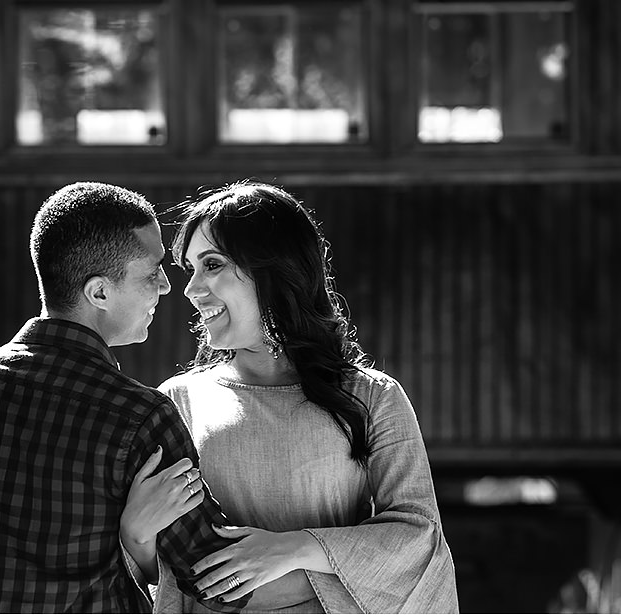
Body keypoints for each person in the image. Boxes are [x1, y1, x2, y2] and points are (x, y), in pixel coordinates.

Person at [0, 181, 256, 613]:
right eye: (151, 272)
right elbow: (220, 581)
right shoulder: (139, 415)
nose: (166, 287)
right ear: (99, 293)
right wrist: (323, 551)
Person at [122, 181, 460, 613]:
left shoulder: (372, 397)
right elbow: (156, 567)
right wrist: (135, 537)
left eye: (212, 264)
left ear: (275, 269)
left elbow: (419, 539)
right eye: (190, 269)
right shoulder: (177, 402)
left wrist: (295, 548)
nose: (190, 289)